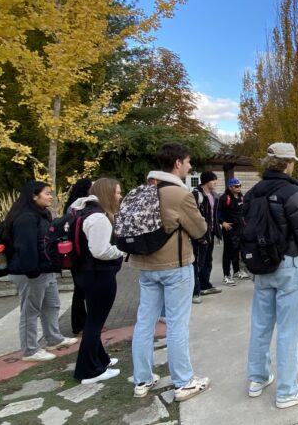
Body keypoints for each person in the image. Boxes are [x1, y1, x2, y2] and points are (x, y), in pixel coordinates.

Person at [130, 143, 210, 402]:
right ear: (177, 163)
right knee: (176, 324)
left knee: (144, 322)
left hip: (145, 267)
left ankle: (142, 379)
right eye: (187, 162)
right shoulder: (178, 194)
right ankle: (183, 382)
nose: (189, 167)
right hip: (174, 267)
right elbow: (200, 229)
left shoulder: (143, 190)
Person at [245, 142, 298, 409]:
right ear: (288, 163)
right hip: (288, 264)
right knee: (289, 330)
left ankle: (257, 377)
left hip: (262, 267)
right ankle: (287, 390)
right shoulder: (292, 192)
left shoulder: (253, 193)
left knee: (261, 325)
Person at [5, 180, 78, 362]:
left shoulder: (42, 214)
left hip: (46, 270)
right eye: (47, 193)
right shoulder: (26, 218)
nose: (51, 196)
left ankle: (54, 338)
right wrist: (33, 272)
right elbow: (26, 248)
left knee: (51, 305)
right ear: (34, 196)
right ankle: (30, 350)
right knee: (30, 312)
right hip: (30, 273)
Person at [69, 178, 125, 384]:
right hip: (99, 275)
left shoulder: (79, 211)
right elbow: (100, 250)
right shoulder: (99, 217)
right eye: (117, 192)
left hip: (84, 273)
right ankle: (89, 370)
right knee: (94, 323)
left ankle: (101, 359)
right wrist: (121, 251)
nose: (119, 196)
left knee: (93, 318)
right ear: (108, 193)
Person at [65, 178, 93, 336]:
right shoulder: (77, 208)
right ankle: (79, 325)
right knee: (81, 290)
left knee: (82, 289)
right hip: (79, 254)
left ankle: (85, 323)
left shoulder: (72, 207)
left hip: (78, 253)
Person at [191, 171, 223, 303]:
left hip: (210, 234)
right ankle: (195, 292)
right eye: (213, 180)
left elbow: (213, 217)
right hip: (199, 236)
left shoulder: (214, 196)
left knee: (207, 261)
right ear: (205, 181)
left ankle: (205, 285)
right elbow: (193, 216)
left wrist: (217, 232)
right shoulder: (196, 195)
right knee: (197, 263)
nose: (215, 182)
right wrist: (199, 235)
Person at [219, 177, 245, 285]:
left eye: (240, 186)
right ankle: (226, 275)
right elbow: (218, 212)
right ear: (230, 187)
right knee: (228, 252)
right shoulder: (225, 198)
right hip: (229, 229)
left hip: (240, 228)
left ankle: (236, 271)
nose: (239, 188)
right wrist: (222, 223)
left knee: (237, 250)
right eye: (236, 186)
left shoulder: (241, 197)